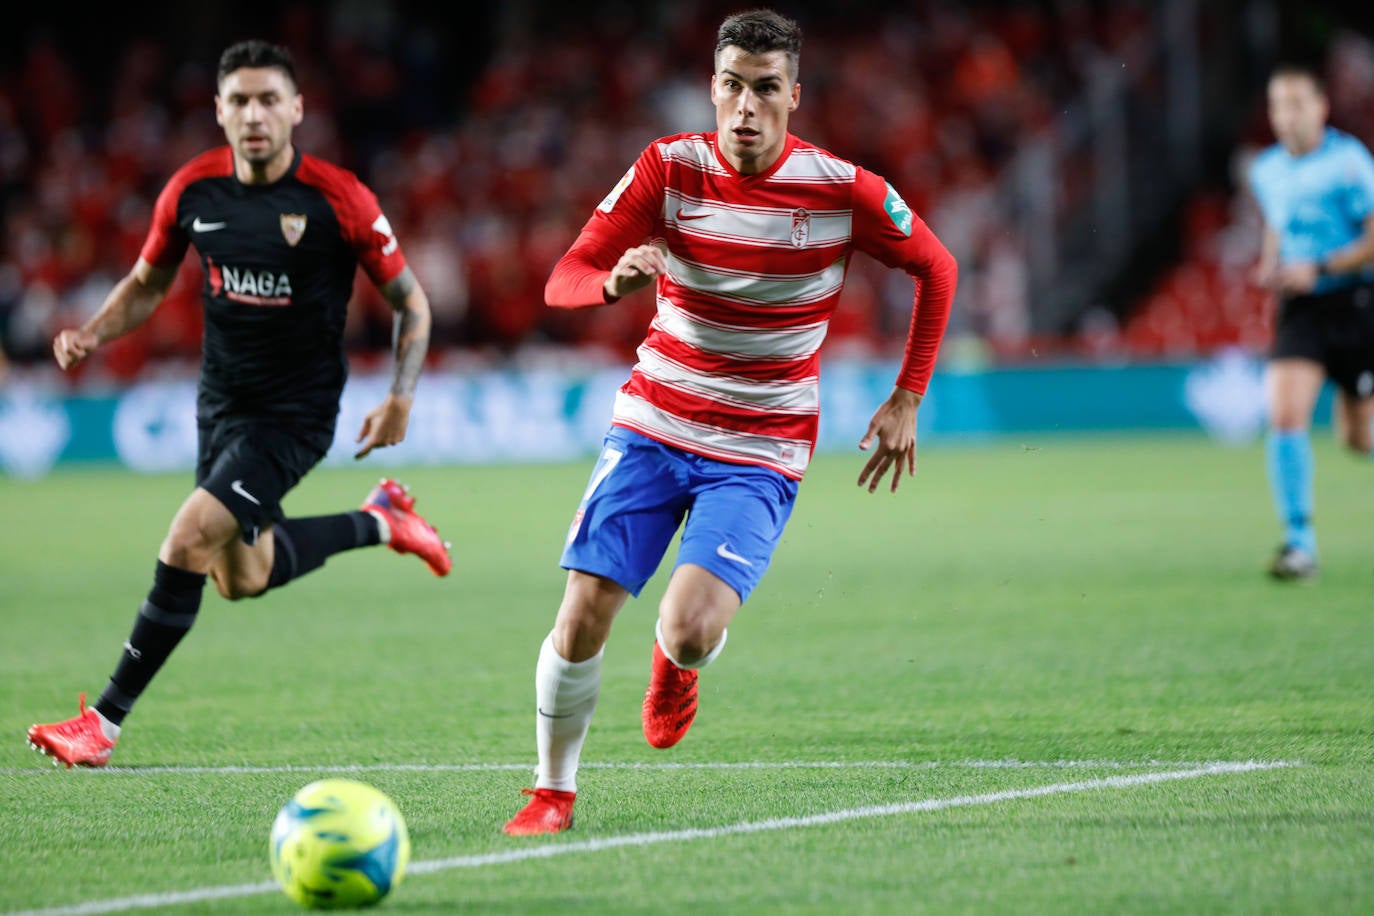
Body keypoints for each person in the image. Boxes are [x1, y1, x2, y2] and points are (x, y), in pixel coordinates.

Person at [502, 8, 957, 835]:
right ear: (713, 88)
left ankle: (679, 667)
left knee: (689, 626)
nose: (745, 106)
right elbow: (564, 276)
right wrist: (612, 285)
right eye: (731, 87)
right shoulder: (667, 169)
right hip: (653, 425)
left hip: (760, 447)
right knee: (581, 612)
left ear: (795, 95)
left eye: (765, 89)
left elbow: (937, 265)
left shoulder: (841, 189)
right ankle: (551, 793)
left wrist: (908, 396)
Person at [26, 40, 452, 769]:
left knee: (186, 539)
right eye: (240, 101)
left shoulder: (338, 198)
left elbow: (412, 303)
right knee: (240, 576)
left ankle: (103, 721)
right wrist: (92, 333)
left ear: (296, 110)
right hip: (219, 405)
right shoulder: (193, 191)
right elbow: (146, 284)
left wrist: (401, 396)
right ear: (219, 113)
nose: (255, 114)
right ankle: (381, 521)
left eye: (268, 100)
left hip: (296, 414)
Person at [1248, 62, 1374, 581]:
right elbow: (1278, 226)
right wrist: (1268, 262)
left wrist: (1318, 267)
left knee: (1358, 439)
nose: (1287, 115)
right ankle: (1300, 545)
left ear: (1321, 107)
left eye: (1298, 103)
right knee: (1284, 413)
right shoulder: (1265, 169)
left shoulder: (1350, 162)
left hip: (1355, 304)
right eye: (1279, 104)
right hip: (1301, 309)